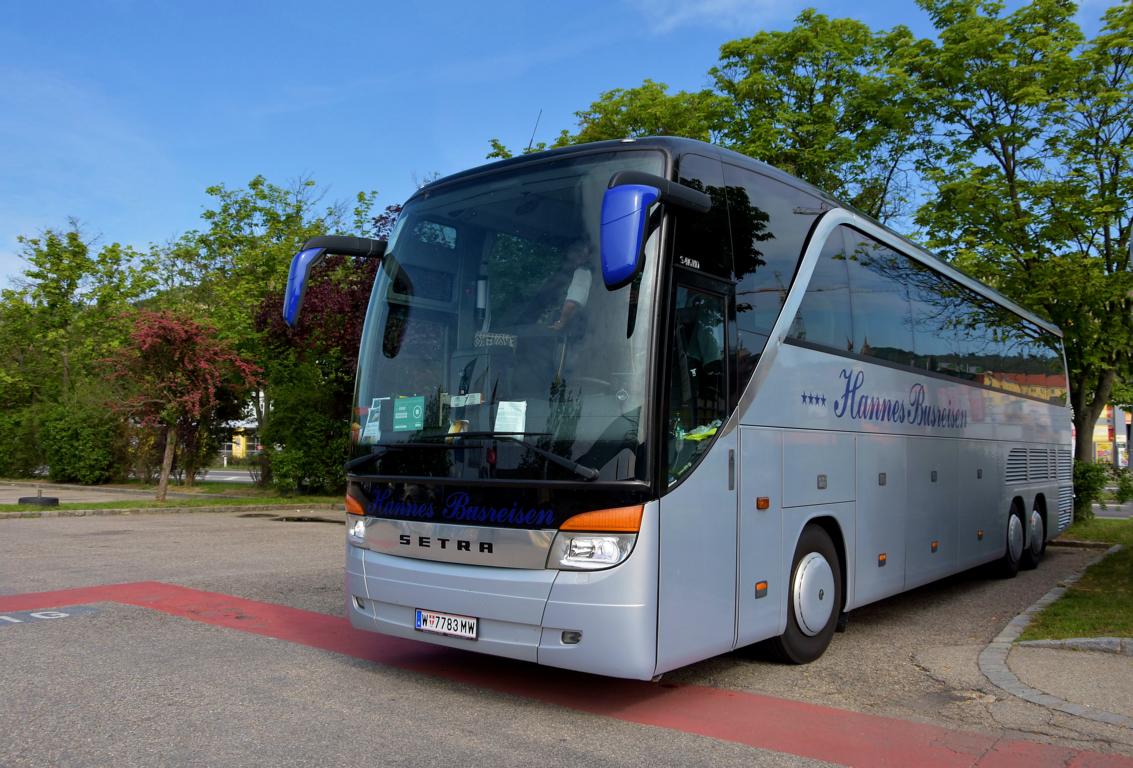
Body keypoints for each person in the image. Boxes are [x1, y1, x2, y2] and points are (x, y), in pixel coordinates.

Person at [550, 242, 593, 333]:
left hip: (580, 324)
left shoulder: (581, 273)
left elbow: (571, 304)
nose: (573, 256)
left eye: (579, 254)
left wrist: (561, 322)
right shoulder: (577, 272)